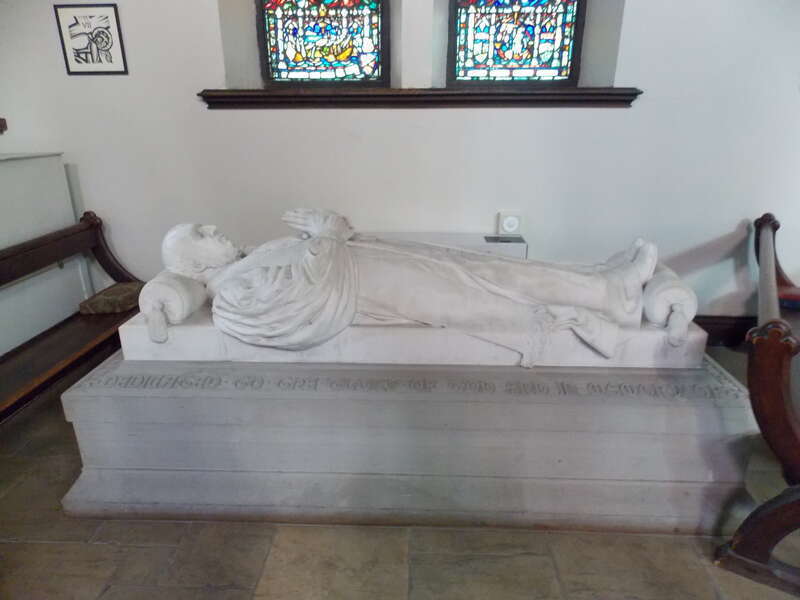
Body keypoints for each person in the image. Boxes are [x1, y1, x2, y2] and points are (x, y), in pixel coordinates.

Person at [158, 209, 658, 366]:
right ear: (192, 267)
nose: (213, 230)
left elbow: (311, 262)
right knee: (487, 298)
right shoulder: (233, 294)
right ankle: (604, 295)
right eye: (199, 236)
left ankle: (602, 285)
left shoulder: (253, 257)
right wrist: (327, 234)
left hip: (371, 261)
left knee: (480, 264)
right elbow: (306, 304)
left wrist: (327, 232)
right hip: (372, 286)